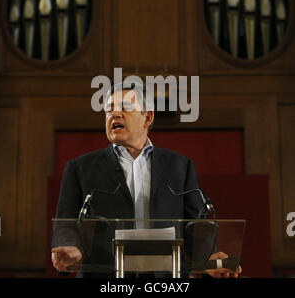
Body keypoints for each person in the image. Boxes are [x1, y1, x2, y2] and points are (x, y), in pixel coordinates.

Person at [51, 82, 242, 278]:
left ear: (147, 117)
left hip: (165, 280)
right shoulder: (80, 168)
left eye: (125, 107)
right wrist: (68, 247)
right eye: (109, 110)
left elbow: (194, 226)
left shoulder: (179, 166)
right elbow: (65, 224)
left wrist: (210, 256)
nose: (114, 114)